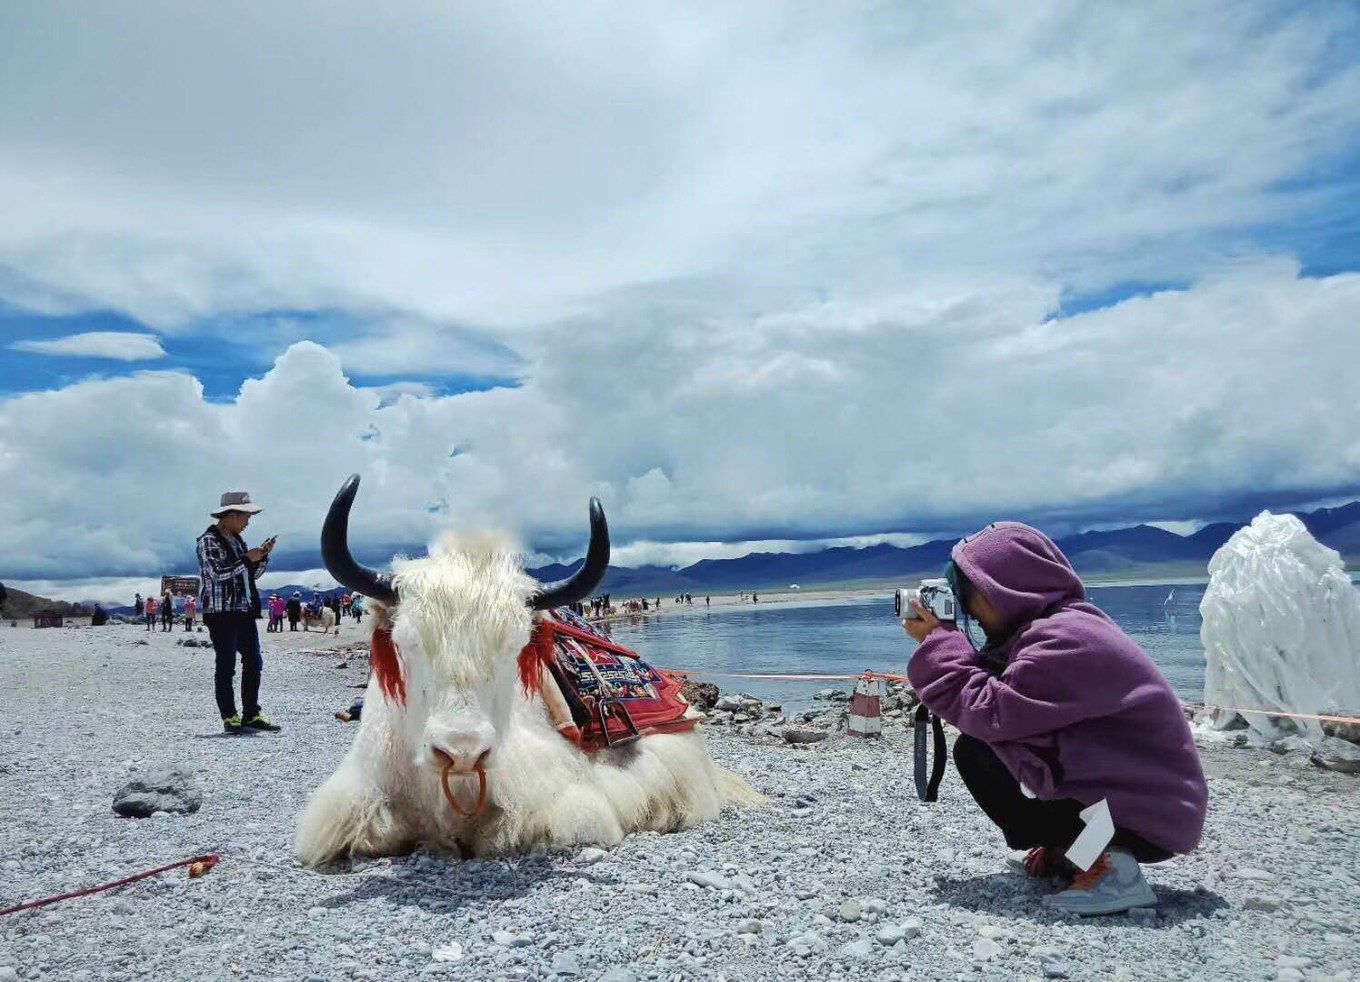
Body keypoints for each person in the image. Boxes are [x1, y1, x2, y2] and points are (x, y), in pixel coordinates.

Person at [903, 522, 1207, 916]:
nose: (970, 612)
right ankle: (1079, 850)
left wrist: (940, 642)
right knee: (991, 748)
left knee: (981, 750)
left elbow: (989, 712)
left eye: (971, 595)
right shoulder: (1060, 626)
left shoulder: (1065, 640)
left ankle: (1112, 869)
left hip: (1151, 819)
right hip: (1149, 808)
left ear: (1005, 588)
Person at [196, 489, 281, 735]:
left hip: (242, 609)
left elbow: (248, 574)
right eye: (245, 516)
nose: (247, 522)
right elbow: (217, 573)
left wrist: (261, 557)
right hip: (220, 612)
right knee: (226, 665)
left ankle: (251, 713)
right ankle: (230, 716)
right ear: (231, 515)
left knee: (254, 662)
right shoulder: (207, 541)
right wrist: (246, 559)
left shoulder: (237, 541)